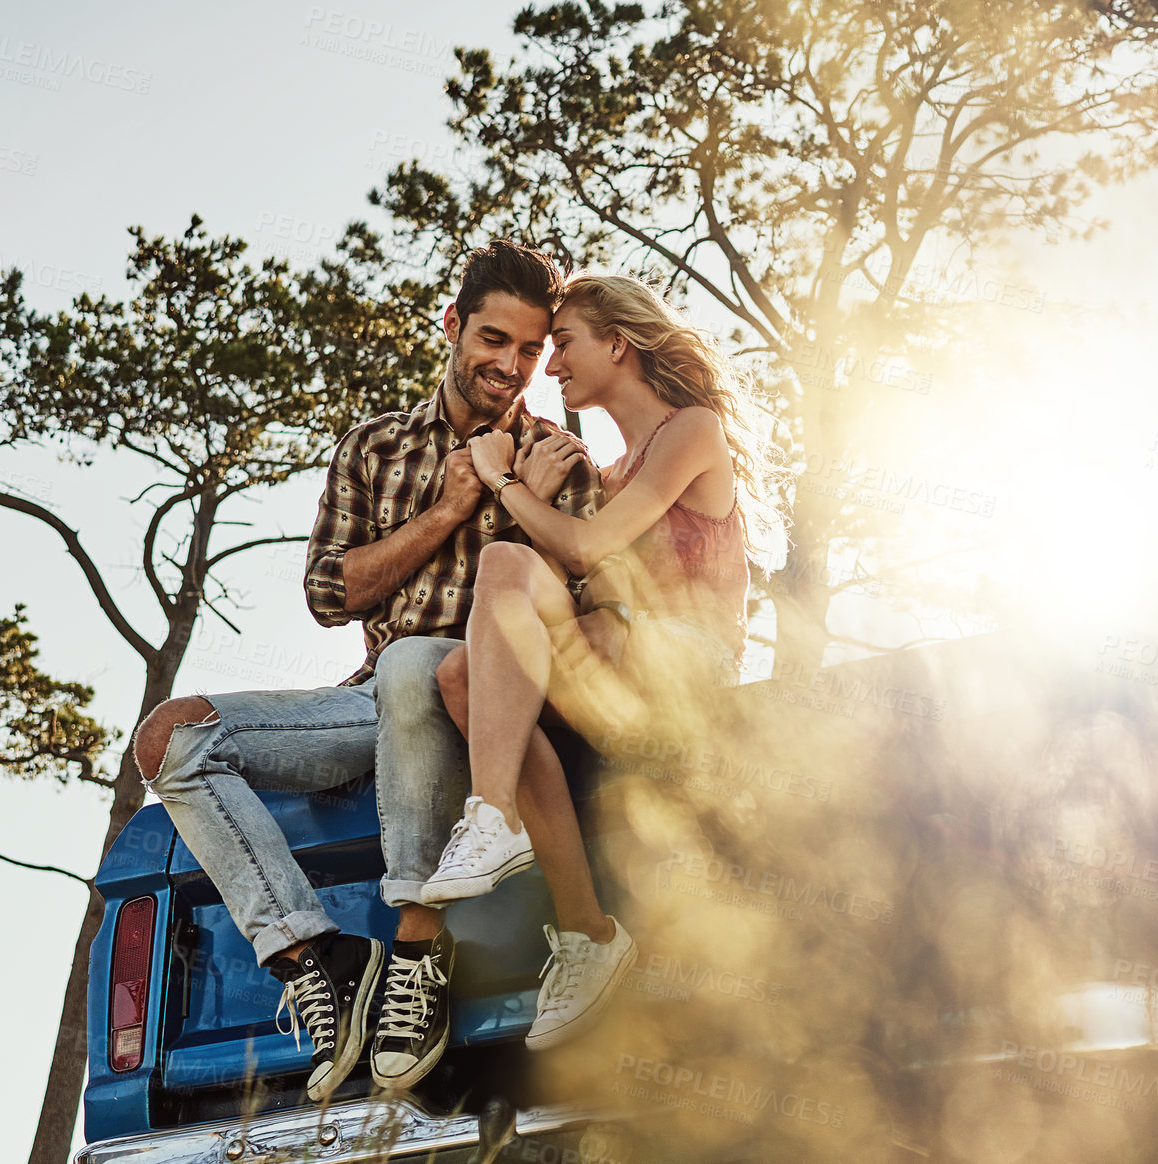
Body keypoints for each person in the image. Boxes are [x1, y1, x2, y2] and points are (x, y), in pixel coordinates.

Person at [130, 240, 606, 1101]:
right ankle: (321, 958)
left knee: (423, 661)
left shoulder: (558, 462)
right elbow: (329, 592)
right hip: (372, 701)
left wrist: (512, 497)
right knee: (173, 740)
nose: (511, 366)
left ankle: (419, 949)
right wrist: (457, 503)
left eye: (532, 351)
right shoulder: (375, 447)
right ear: (455, 325)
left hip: (487, 707)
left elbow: (573, 616)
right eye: (494, 339)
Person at [426, 273, 776, 1049]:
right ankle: (587, 931)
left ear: (617, 343)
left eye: (563, 345)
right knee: (459, 677)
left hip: (688, 670)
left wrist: (504, 481)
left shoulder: (692, 430)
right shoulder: (607, 474)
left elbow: (583, 548)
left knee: (508, 568)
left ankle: (492, 816)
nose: (549, 368)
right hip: (620, 674)